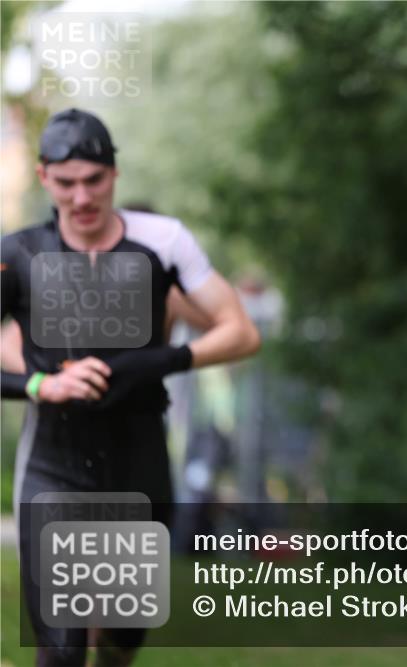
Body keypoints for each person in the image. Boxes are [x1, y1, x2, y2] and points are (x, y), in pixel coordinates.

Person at [1, 108, 260, 666]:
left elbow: (240, 332)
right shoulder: (17, 254)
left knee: (120, 640)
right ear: (44, 177)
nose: (81, 197)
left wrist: (159, 361)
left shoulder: (163, 242)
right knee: (63, 647)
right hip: (54, 461)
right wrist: (40, 383)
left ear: (114, 174)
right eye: (66, 183)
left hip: (138, 458)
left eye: (93, 180)